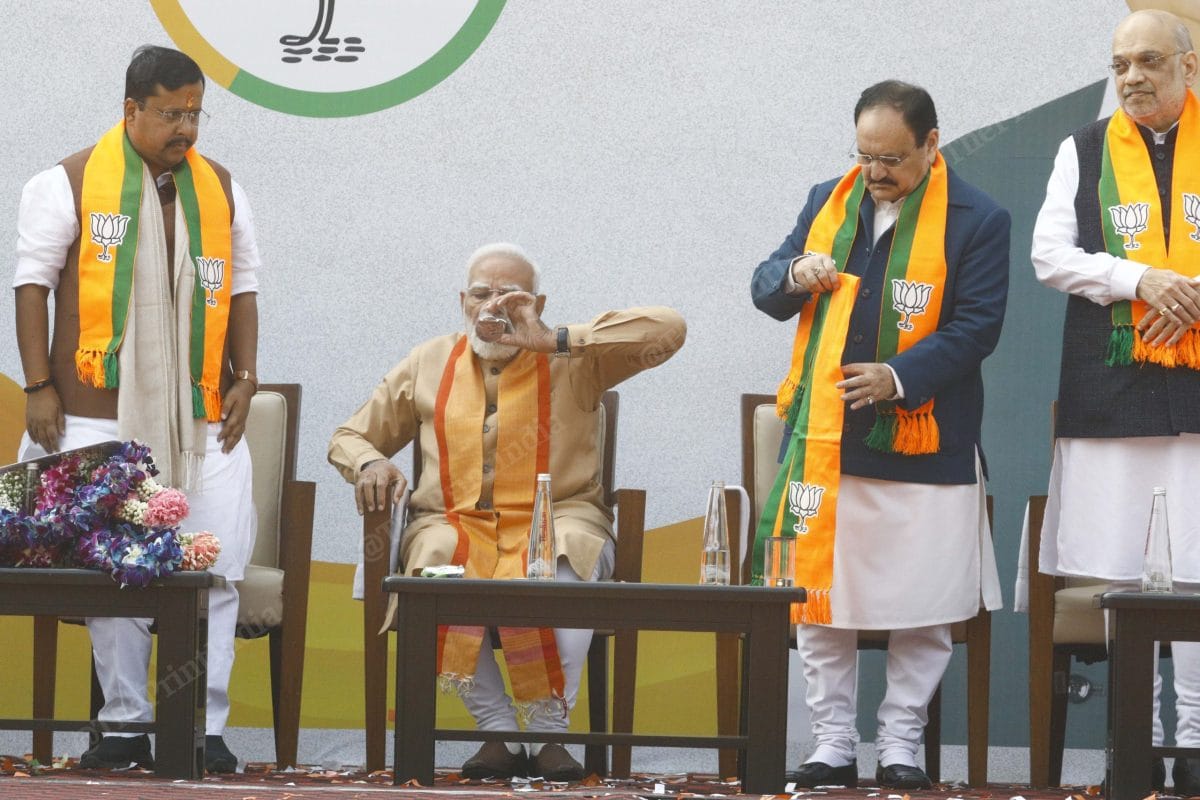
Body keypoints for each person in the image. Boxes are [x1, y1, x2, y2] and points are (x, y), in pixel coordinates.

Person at [328, 242, 685, 781]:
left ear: (536, 301)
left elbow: (669, 329)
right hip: (452, 520)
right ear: (462, 301)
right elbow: (350, 436)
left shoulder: (577, 360)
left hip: (561, 515)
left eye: (510, 295)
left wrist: (556, 338)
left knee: (566, 559)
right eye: (481, 293)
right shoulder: (428, 361)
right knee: (437, 563)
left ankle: (546, 736)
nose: (493, 305)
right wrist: (370, 463)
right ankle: (497, 731)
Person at [750, 80, 1008, 790]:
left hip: (927, 443)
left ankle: (901, 742)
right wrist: (796, 272)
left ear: (931, 144)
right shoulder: (825, 202)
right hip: (828, 441)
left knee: (921, 605)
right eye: (864, 156)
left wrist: (897, 377)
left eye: (891, 157)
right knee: (822, 596)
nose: (875, 173)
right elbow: (764, 286)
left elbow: (976, 327)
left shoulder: (978, 218)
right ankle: (831, 742)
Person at [12, 45, 261, 773]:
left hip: (205, 415)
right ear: (131, 111)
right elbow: (32, 286)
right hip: (93, 412)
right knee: (119, 567)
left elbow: (243, 288)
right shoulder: (64, 183)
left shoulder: (223, 189)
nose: (186, 128)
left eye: (195, 113)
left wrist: (247, 376)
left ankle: (202, 725)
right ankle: (124, 723)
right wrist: (37, 386)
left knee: (212, 565)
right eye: (170, 114)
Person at [1032, 9, 1200, 794]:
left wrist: (1190, 291)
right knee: (1116, 574)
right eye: (1119, 64)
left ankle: (1193, 742)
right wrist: (1140, 280)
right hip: (1111, 387)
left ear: (1188, 68)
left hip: (1196, 396)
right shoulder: (1084, 147)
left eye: (1149, 62)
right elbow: (1050, 254)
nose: (1131, 77)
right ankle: (1128, 744)